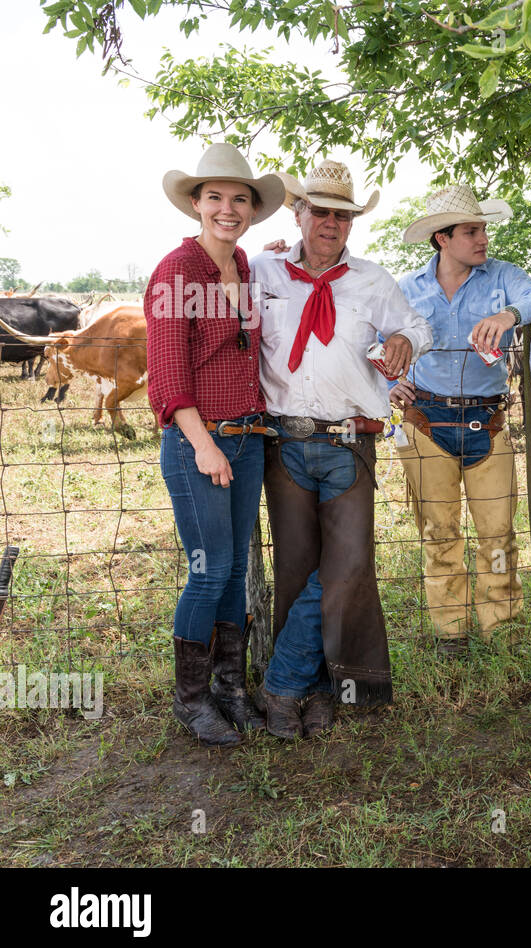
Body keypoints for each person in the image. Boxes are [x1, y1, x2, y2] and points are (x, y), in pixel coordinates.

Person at [251, 160, 432, 739]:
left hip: (351, 442)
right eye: (320, 211)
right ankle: (321, 690)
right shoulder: (264, 271)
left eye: (342, 215)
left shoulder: (373, 281)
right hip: (285, 441)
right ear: (297, 213)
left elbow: (419, 326)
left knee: (347, 568)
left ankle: (282, 684)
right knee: (297, 567)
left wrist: (404, 337)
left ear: (351, 223)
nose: (330, 222)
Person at [146, 143, 285, 747]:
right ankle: (191, 698)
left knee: (231, 573)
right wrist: (203, 444)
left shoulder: (246, 266)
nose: (228, 208)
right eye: (215, 198)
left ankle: (230, 689)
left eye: (240, 199)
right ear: (196, 205)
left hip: (248, 437)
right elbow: (169, 373)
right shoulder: (178, 271)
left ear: (252, 209)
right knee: (208, 572)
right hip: (198, 442)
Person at [390, 185, 531, 654]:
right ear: (442, 238)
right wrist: (386, 385)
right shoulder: (407, 288)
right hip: (424, 419)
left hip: (488, 419)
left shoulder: (503, 279)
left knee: (498, 530)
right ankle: (450, 632)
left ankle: (504, 628)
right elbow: (373, 343)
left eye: (483, 230)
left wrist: (508, 313)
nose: (482, 240)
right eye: (471, 231)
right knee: (439, 530)